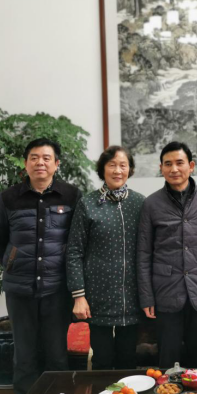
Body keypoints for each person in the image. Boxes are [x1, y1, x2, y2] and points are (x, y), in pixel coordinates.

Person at [0, 138, 81, 394]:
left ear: (56, 164)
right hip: (20, 290)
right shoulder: (8, 198)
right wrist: (13, 263)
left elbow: (77, 240)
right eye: (34, 157)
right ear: (25, 163)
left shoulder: (71, 196)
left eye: (46, 158)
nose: (40, 162)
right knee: (24, 354)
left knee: (56, 354)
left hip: (57, 288)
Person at [137, 142, 197, 369]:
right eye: (168, 164)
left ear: (191, 166)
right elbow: (143, 253)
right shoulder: (151, 203)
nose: (174, 169)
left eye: (179, 163)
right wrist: (146, 297)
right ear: (161, 168)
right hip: (166, 291)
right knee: (168, 363)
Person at [66, 146, 145, 370]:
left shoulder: (140, 203)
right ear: (103, 169)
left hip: (132, 296)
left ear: (130, 170)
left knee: (128, 360)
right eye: (112, 165)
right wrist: (79, 296)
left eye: (123, 165)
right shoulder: (87, 203)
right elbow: (74, 251)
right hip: (97, 296)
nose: (118, 170)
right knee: (102, 360)